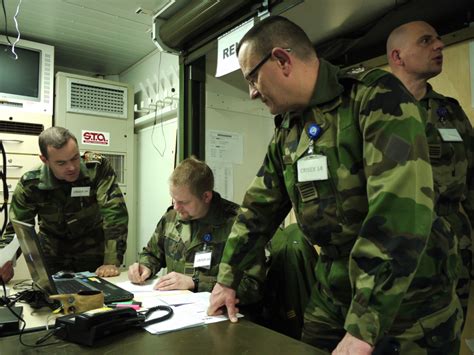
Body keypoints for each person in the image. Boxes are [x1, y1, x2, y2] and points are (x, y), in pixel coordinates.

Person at [207, 15, 463, 354]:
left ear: (282, 60)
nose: (252, 93)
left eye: (252, 78)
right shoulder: (289, 129)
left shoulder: (375, 99)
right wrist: (227, 279)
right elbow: (258, 209)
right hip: (334, 290)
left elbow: (398, 214)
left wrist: (364, 324)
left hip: (407, 298)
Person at [387, 20, 473, 326]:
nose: (439, 45)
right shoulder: (372, 112)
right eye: (426, 41)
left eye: (438, 39)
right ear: (397, 57)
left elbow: (471, 181)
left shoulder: (450, 111)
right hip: (396, 255)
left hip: (453, 252)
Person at [128, 157, 265, 309]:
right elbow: (152, 254)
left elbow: (253, 286)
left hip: (220, 316)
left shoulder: (239, 225)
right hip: (177, 311)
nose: (176, 207)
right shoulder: (171, 218)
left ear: (206, 196)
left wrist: (196, 283)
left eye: (183, 202)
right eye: (174, 200)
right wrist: (145, 267)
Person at [0, 126, 128, 277]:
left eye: (74, 158)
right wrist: (5, 261)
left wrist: (111, 261)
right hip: (51, 254)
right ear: (45, 160)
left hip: (92, 252)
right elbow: (18, 228)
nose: (72, 167)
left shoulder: (97, 169)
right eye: (61, 163)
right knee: (49, 298)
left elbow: (114, 213)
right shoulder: (31, 184)